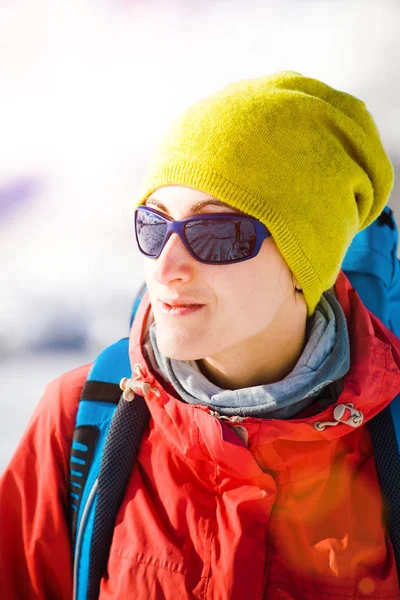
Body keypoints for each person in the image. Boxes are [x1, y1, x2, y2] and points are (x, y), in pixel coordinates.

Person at [1, 71, 399, 600]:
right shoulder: (83, 415)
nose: (166, 267)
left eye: (217, 233)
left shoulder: (387, 436)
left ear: (307, 264)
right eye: (154, 224)